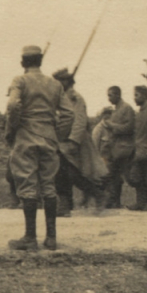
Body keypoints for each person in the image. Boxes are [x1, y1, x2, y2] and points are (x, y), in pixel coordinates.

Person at [5, 45, 75, 250]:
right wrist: (57, 135)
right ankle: (51, 238)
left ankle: (30, 238)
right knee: (49, 186)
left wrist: (14, 127)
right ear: (40, 61)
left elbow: (12, 105)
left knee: (27, 186)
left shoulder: (20, 81)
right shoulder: (55, 84)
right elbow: (69, 114)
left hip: (26, 138)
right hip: (49, 139)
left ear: (23, 62)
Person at [52, 68, 107, 215]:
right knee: (60, 173)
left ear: (67, 81)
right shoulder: (59, 98)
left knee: (75, 174)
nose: (56, 84)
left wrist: (73, 141)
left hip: (76, 142)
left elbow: (79, 121)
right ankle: (65, 205)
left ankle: (97, 194)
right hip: (61, 141)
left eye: (59, 81)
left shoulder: (76, 98)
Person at [104, 86, 135, 208]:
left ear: (118, 95)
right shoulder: (116, 109)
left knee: (131, 177)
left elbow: (129, 127)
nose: (109, 98)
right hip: (115, 148)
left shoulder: (126, 108)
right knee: (113, 175)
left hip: (125, 149)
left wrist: (111, 125)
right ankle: (114, 201)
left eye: (110, 95)